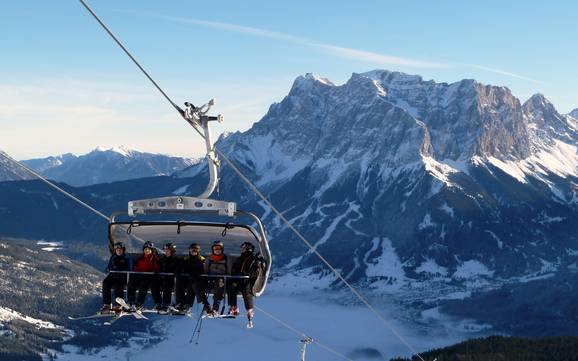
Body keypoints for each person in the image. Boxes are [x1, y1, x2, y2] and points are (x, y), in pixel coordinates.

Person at [175, 243, 211, 314]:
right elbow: (180, 268)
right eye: (192, 250)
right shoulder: (186, 259)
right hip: (187, 279)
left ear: (198, 251)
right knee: (179, 282)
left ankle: (188, 304)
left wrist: (197, 274)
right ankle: (180, 302)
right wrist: (178, 272)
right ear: (189, 250)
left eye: (195, 250)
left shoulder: (202, 260)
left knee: (193, 284)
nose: (194, 251)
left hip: (197, 280)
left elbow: (204, 271)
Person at [227, 242, 257, 322]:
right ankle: (233, 307)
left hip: (247, 280)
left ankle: (249, 309)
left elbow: (255, 272)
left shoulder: (253, 259)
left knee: (246, 290)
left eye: (243, 248)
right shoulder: (239, 259)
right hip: (238, 279)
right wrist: (235, 275)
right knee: (231, 287)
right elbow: (234, 269)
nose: (241, 249)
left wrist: (246, 274)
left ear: (248, 249)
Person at [127, 241, 161, 310]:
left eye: (148, 249)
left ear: (152, 250)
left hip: (150, 278)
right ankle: (131, 301)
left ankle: (139, 303)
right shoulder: (141, 259)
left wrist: (154, 273)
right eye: (145, 249)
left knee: (144, 284)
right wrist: (136, 273)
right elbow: (136, 268)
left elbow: (157, 268)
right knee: (131, 281)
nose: (147, 250)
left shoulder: (155, 258)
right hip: (141, 276)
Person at [100, 241, 132, 313]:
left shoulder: (127, 257)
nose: (118, 251)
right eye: (117, 249)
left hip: (123, 276)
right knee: (105, 283)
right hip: (113, 275)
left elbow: (130, 268)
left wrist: (119, 269)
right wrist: (108, 269)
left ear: (123, 249)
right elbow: (108, 267)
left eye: (120, 249)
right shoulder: (113, 257)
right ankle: (107, 304)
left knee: (118, 285)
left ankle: (118, 305)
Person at [205, 240, 229, 315]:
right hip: (211, 279)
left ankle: (215, 309)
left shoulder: (226, 259)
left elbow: (228, 271)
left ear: (222, 249)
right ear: (213, 249)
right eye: (215, 249)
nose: (217, 250)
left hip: (221, 280)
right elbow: (205, 270)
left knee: (219, 285)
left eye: (219, 248)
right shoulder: (209, 259)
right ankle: (207, 307)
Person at [157, 242, 181, 313]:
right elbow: (160, 267)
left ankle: (166, 304)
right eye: (165, 250)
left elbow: (179, 269)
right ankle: (158, 303)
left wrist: (176, 272)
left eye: (167, 250)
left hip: (173, 279)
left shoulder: (177, 259)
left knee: (167, 285)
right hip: (164, 278)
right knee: (154, 284)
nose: (166, 251)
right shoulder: (162, 259)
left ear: (172, 250)